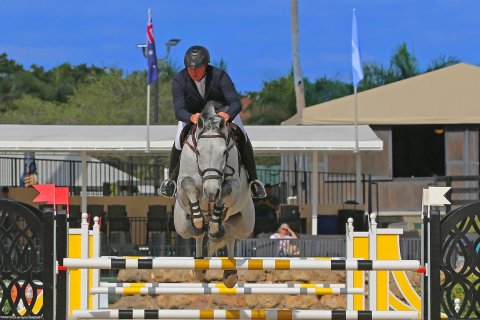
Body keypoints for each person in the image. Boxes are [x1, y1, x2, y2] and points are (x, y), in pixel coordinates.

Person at [160, 45, 266, 199]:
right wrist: (191, 117)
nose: (194, 72)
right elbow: (179, 110)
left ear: (206, 66)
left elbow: (235, 102)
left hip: (222, 114)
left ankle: (254, 180)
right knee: (178, 141)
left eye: (198, 68)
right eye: (190, 68)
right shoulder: (179, 80)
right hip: (194, 116)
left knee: (243, 136)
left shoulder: (219, 75)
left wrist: (227, 114)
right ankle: (171, 181)